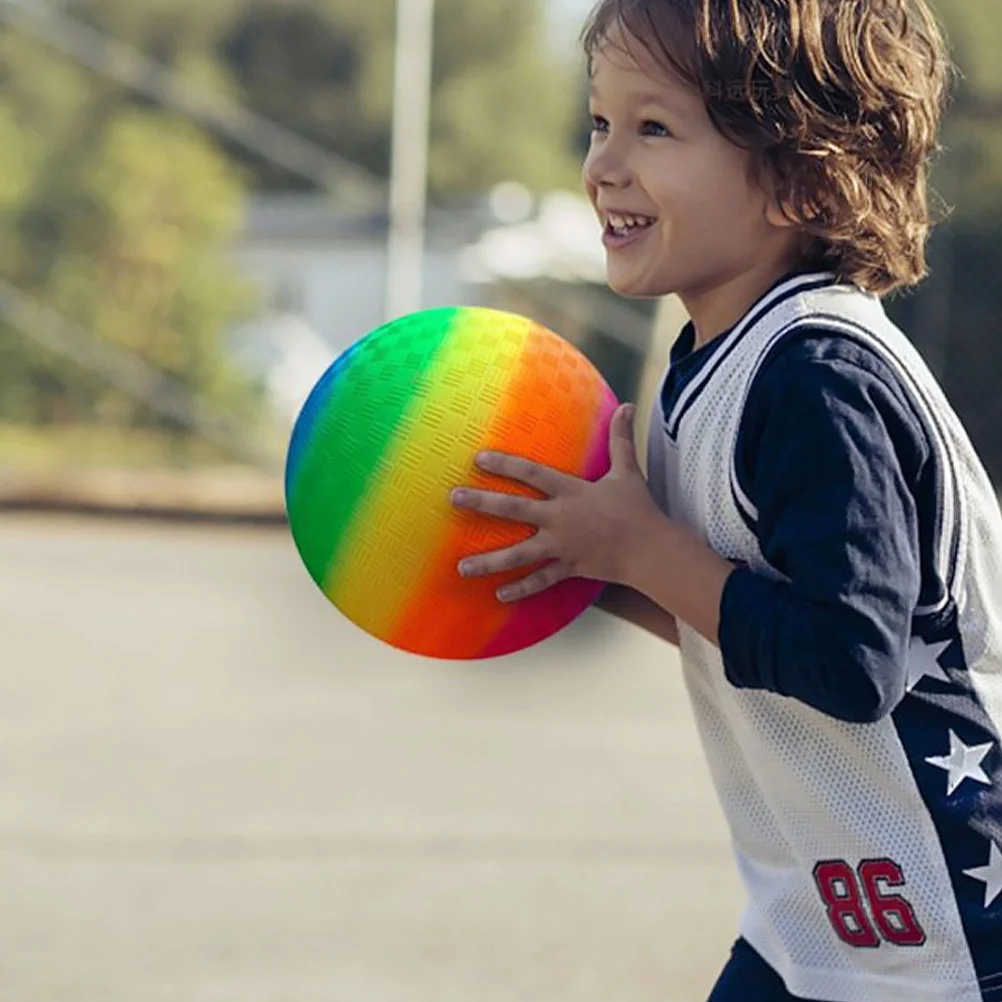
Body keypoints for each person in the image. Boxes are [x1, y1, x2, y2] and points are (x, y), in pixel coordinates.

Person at [449, 1, 1002, 999]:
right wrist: (585, 562)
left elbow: (845, 658)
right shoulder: (713, 357)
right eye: (599, 123)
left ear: (801, 175)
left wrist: (640, 550)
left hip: (954, 936)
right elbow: (744, 618)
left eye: (654, 128)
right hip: (822, 923)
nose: (604, 166)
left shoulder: (819, 377)